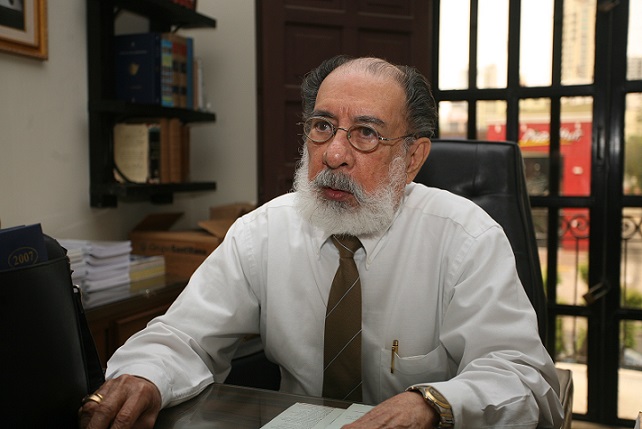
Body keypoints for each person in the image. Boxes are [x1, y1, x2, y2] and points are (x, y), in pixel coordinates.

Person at [79, 55, 564, 429]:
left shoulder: (466, 238)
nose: (333, 154)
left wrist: (431, 405)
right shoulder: (263, 231)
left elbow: (519, 373)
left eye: (366, 134)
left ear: (413, 158)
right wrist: (145, 375)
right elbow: (182, 336)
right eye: (322, 126)